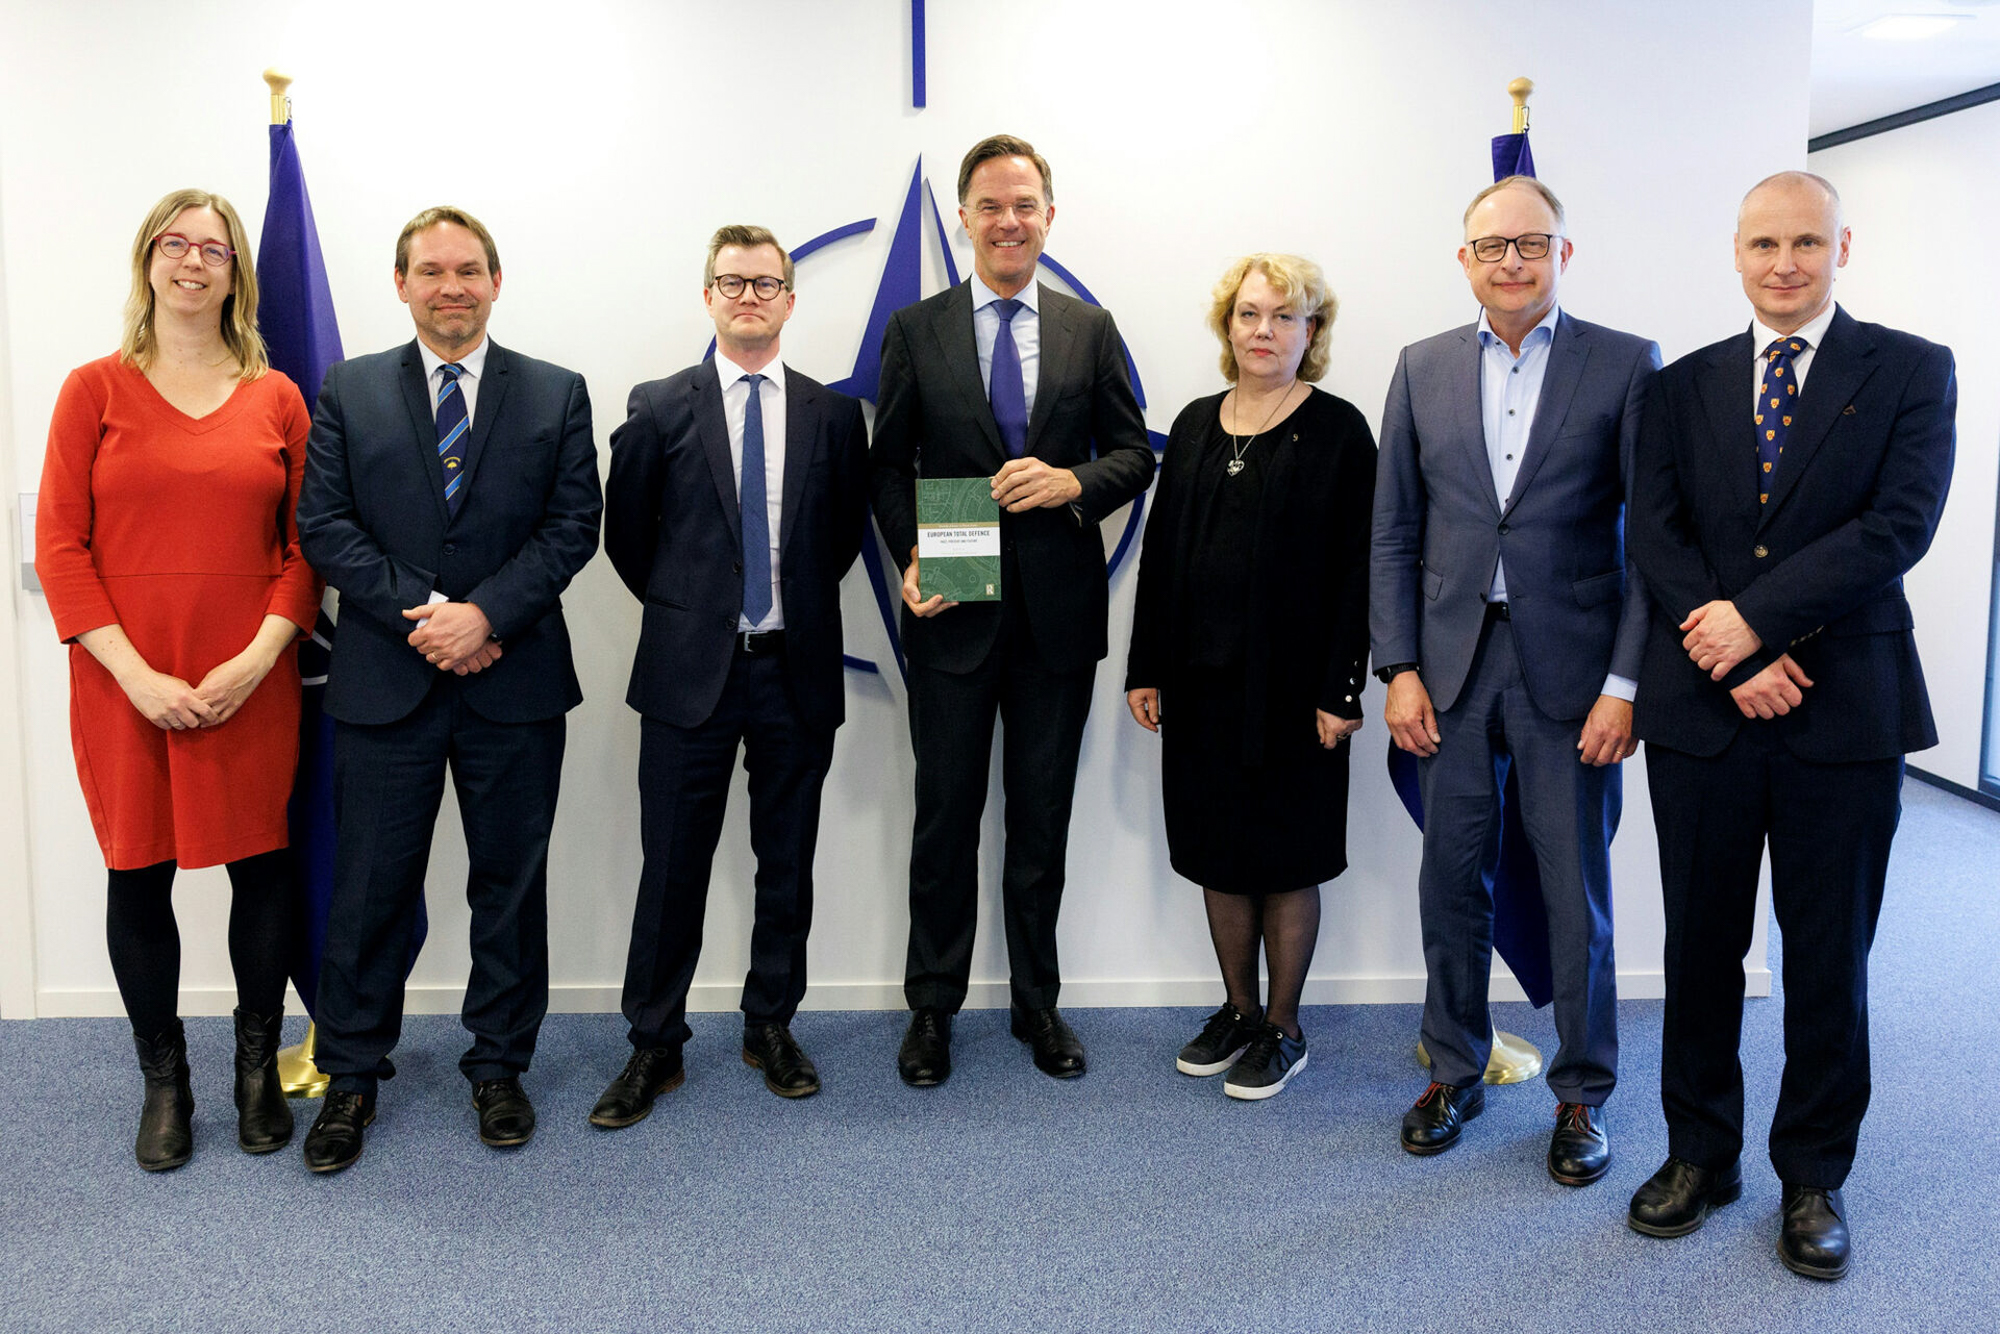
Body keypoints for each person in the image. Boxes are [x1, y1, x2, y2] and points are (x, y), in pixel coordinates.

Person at [1625, 171, 1955, 1280]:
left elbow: (1896, 527)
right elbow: (1656, 537)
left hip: (1844, 710)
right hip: (1703, 714)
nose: (1783, 263)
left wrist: (1756, 624)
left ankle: (1812, 1175)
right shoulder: (1678, 386)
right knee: (1698, 947)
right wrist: (1732, 654)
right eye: (1763, 243)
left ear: (1840, 248)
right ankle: (1697, 1154)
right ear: (1735, 252)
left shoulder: (1910, 369)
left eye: (1805, 242)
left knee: (1826, 956)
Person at [294, 206, 602, 1173]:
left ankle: (499, 1066)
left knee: (509, 887)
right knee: (369, 890)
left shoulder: (556, 392)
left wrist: (486, 616)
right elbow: (325, 526)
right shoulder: (348, 389)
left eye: (469, 269)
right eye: (430, 271)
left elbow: (573, 525)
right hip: (387, 682)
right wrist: (430, 615)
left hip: (516, 682)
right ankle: (350, 1075)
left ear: (496, 282)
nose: (451, 286)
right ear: (401, 285)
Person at [1369, 176, 1660, 1179]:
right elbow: (1393, 530)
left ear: (1562, 255)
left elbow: (1648, 546)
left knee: (1575, 892)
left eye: (1530, 243)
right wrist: (1398, 666)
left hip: (1572, 676)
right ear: (1464, 260)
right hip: (1449, 669)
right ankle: (1453, 1068)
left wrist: (1624, 685)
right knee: (1450, 880)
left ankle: (1581, 1094)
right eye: (1490, 246)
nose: (1510, 261)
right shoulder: (1420, 366)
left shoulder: (1625, 363)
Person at [34, 189, 324, 1171]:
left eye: (214, 248)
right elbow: (60, 547)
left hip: (250, 678)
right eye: (175, 243)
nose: (193, 261)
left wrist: (256, 659)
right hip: (125, 682)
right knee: (138, 871)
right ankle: (166, 1082)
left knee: (262, 868)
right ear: (148, 260)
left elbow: (307, 549)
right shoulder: (92, 391)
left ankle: (254, 1070)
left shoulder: (278, 398)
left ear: (237, 274)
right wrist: (136, 675)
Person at [869, 133, 1155, 1085]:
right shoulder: (916, 328)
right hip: (952, 607)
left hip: (1056, 620)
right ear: (964, 217)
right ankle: (932, 1009)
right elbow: (886, 465)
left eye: (1024, 204)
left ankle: (1038, 1003)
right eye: (990, 205)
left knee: (1040, 823)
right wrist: (911, 551)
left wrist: (1072, 482)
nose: (1008, 221)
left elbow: (1134, 456)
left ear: (1049, 216)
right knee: (944, 820)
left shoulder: (1089, 328)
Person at [590, 226, 868, 1127]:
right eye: (732, 282)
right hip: (688, 678)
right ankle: (654, 1043)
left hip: (795, 671)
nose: (749, 297)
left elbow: (835, 543)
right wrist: (696, 613)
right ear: (707, 295)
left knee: (786, 864)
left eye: (765, 283)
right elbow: (629, 538)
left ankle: (770, 1025)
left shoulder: (832, 416)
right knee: (671, 866)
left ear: (791, 299)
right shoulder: (659, 406)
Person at [1124, 254, 1375, 1100]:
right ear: (1227, 326)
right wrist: (1146, 667)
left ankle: (1283, 1026)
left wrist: (1342, 690)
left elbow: (1359, 571)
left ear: (1312, 331)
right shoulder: (1197, 422)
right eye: (1249, 314)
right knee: (1219, 853)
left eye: (1284, 316)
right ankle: (1237, 1010)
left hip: (1298, 694)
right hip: (1201, 686)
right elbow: (1162, 556)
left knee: (1286, 855)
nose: (1263, 331)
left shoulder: (1340, 430)